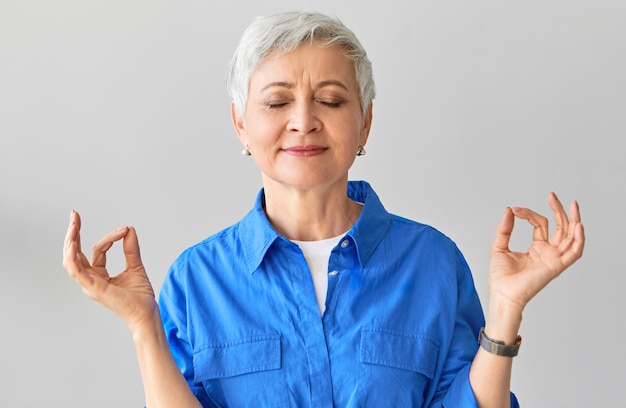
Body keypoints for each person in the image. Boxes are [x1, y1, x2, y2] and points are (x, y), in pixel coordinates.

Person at [62, 11, 585, 408]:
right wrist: (143, 326)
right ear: (241, 124)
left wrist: (506, 311)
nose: (304, 121)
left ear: (366, 124)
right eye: (276, 102)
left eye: (331, 101)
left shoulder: (433, 261)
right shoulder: (197, 279)